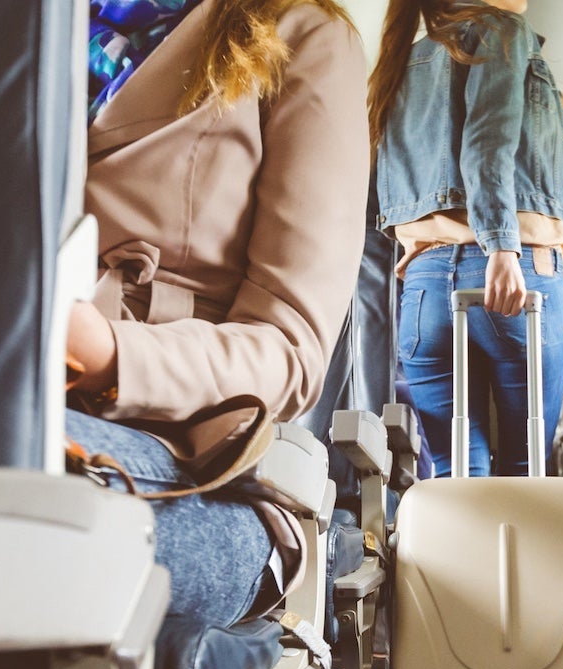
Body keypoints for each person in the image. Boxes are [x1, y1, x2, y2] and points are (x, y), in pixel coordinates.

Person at [64, 0, 370, 626]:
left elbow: (287, 349)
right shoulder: (13, 26)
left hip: (183, 447)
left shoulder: (304, 33)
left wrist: (111, 355)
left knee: (5, 495)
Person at [369, 0, 563, 478]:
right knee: (527, 473)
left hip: (424, 289)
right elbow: (487, 138)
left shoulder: (399, 59)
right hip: (514, 275)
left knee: (455, 473)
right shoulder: (503, 29)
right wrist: (500, 246)